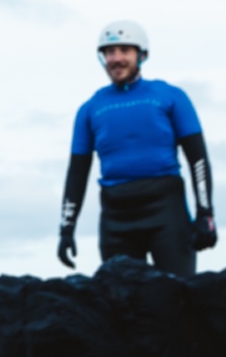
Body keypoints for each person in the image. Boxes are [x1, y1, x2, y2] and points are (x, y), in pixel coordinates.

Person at [58, 21, 217, 276]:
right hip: (116, 216)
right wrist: (66, 229)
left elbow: (197, 159)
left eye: (124, 51)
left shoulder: (170, 97)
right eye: (110, 52)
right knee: (123, 305)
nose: (116, 58)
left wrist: (205, 214)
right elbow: (77, 172)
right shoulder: (90, 109)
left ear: (141, 55)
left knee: (180, 300)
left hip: (167, 212)